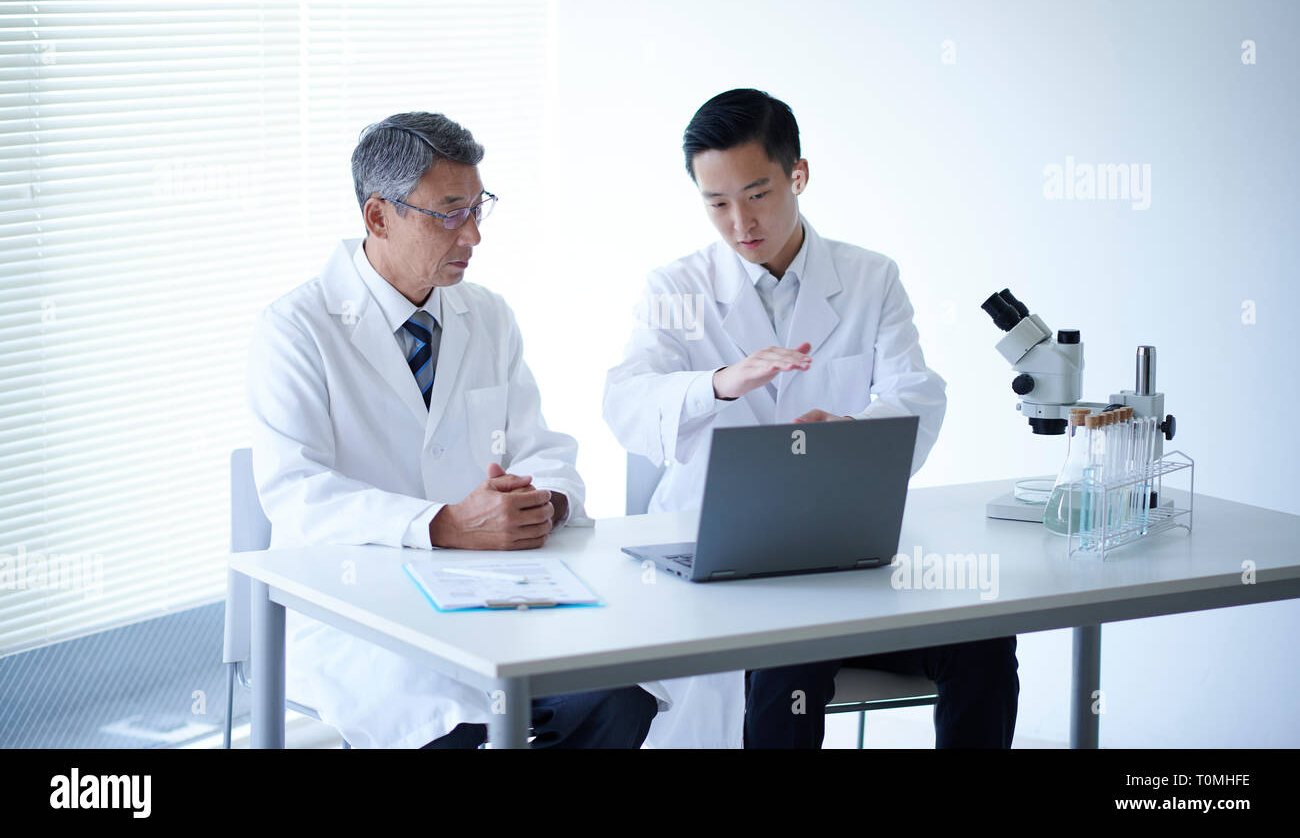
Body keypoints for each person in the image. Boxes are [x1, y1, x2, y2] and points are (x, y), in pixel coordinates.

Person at [603, 89, 1019, 748]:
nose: (740, 221)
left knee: (984, 641)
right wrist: (722, 382)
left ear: (798, 175)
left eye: (757, 193)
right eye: (716, 203)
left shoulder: (869, 278)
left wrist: (855, 436)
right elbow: (626, 402)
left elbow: (918, 392)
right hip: (727, 561)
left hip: (845, 557)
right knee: (788, 655)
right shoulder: (675, 289)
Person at [248, 111, 659, 748]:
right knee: (460, 730)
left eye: (477, 208)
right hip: (359, 611)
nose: (472, 234)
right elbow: (297, 492)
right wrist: (441, 524)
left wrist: (541, 504)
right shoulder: (296, 328)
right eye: (448, 212)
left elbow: (539, 446)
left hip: (492, 596)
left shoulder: (487, 315)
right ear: (378, 217)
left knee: (619, 699)